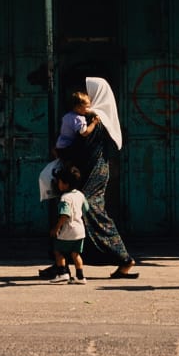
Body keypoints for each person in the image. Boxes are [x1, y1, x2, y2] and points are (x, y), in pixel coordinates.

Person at [42, 87, 138, 280]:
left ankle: (124, 259)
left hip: (91, 174)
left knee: (90, 214)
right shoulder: (99, 119)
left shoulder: (96, 121)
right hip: (95, 172)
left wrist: (63, 154)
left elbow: (83, 147)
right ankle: (61, 264)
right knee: (79, 215)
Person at [49, 165, 89, 284]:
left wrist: (56, 228)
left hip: (68, 230)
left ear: (66, 184)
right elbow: (86, 208)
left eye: (59, 182)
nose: (58, 184)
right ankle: (80, 277)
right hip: (80, 231)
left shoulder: (65, 198)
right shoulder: (80, 195)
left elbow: (64, 215)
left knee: (58, 251)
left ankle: (62, 273)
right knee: (75, 254)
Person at [53, 91, 97, 159]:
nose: (89, 110)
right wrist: (94, 123)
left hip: (60, 146)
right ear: (78, 107)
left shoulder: (67, 116)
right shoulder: (79, 118)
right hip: (68, 148)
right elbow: (85, 133)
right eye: (87, 107)